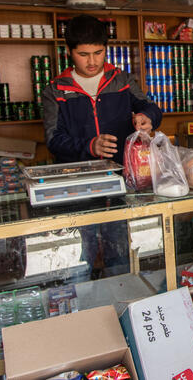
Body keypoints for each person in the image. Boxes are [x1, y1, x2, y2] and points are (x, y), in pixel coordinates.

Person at [42, 14, 162, 278]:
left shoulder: (121, 81)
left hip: (120, 183)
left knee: (120, 252)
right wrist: (90, 146)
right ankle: (83, 313)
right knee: (78, 258)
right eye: (84, 54)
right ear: (70, 52)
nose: (93, 61)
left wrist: (147, 118)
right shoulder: (56, 90)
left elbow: (149, 107)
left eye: (99, 53)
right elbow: (53, 139)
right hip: (76, 189)